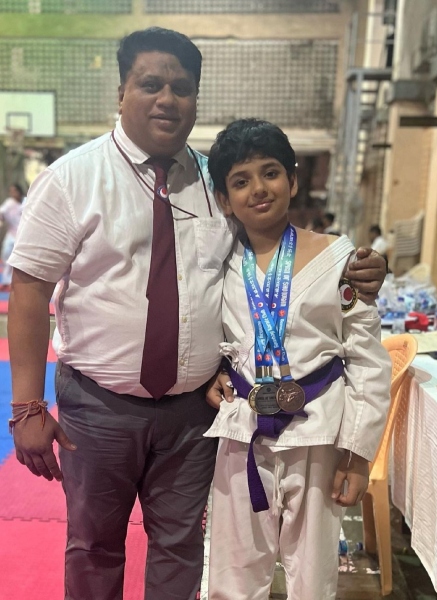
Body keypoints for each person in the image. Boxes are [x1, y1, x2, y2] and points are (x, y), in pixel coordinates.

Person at [7, 27, 388, 600]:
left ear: (195, 100)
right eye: (150, 84)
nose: (167, 98)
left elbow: (267, 265)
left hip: (193, 414)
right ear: (121, 91)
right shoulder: (71, 179)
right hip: (99, 406)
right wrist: (26, 405)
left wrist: (362, 267)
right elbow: (30, 289)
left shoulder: (217, 183)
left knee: (181, 546)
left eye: (181, 88)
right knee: (93, 546)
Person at [204, 118, 392, 600]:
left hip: (319, 435)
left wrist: (357, 454)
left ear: (292, 180)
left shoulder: (340, 260)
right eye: (240, 181)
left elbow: (368, 362)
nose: (258, 189)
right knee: (232, 575)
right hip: (243, 431)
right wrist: (213, 371)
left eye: (270, 173)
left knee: (313, 577)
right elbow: (205, 331)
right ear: (224, 199)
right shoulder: (218, 261)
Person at [0, 183, 25, 291]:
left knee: (21, 260)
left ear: (19, 191)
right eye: (11, 191)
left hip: (23, 235)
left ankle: (19, 283)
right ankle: (6, 281)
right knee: (6, 255)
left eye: (15, 191)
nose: (13, 193)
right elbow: (1, 213)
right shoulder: (9, 203)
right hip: (11, 234)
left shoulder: (26, 202)